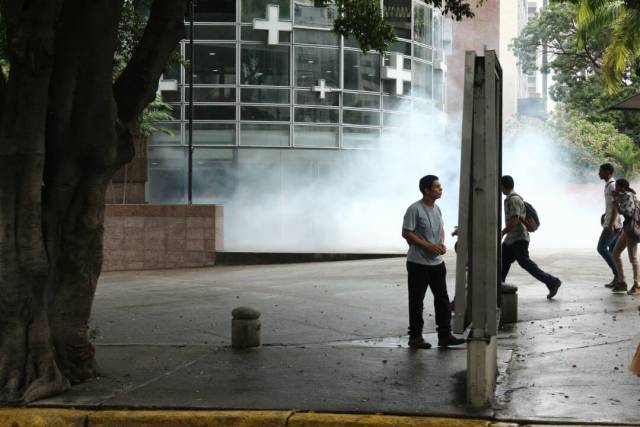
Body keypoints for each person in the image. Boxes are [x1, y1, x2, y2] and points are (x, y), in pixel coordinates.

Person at [401, 175, 466, 349]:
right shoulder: (414, 209)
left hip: (437, 263)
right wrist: (428, 247)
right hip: (418, 263)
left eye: (440, 186)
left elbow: (442, 228)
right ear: (426, 190)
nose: (440, 189)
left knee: (442, 300)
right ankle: (415, 337)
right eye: (437, 187)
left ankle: (444, 335)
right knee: (417, 301)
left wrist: (441, 244)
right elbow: (407, 233)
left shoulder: (437, 208)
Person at [500, 175, 562, 299]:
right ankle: (498, 285)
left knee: (525, 263)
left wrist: (502, 232)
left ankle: (552, 281)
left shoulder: (513, 199)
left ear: (503, 186)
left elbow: (514, 219)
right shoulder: (510, 199)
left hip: (519, 239)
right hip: (512, 239)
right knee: (503, 260)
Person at [611, 179, 640, 295]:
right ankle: (622, 282)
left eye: (617, 186)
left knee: (633, 258)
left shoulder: (627, 195)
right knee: (615, 253)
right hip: (627, 228)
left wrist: (616, 205)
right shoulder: (626, 194)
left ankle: (637, 285)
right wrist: (616, 198)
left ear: (622, 187)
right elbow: (620, 196)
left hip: (631, 229)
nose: (615, 189)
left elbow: (627, 212)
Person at [598, 163, 623, 288]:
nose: (599, 173)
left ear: (608, 172)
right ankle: (618, 278)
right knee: (613, 252)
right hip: (612, 222)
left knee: (601, 248)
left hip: (613, 224)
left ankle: (618, 276)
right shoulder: (609, 185)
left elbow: (616, 206)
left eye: (601, 171)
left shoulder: (612, 186)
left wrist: (611, 224)